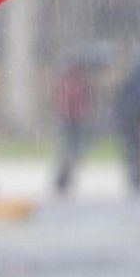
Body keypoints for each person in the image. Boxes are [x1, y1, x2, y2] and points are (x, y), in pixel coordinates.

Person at [114, 61, 140, 195]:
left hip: (130, 122)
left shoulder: (128, 83)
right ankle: (139, 176)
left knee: (132, 150)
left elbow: (121, 102)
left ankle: (135, 176)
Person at [53, 64, 95, 194]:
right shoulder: (80, 82)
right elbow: (87, 99)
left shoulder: (67, 82)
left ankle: (65, 173)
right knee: (73, 148)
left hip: (70, 117)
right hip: (76, 118)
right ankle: (66, 172)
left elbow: (60, 99)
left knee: (69, 147)